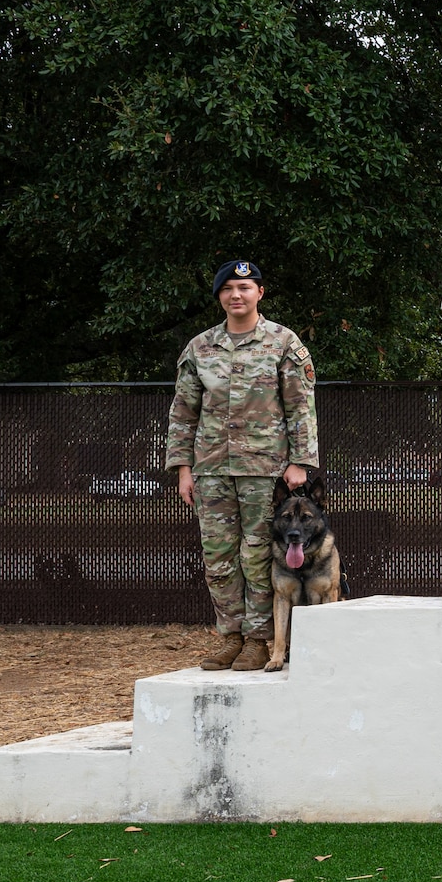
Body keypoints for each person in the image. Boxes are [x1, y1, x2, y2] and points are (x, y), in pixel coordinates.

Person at [165, 261, 318, 672]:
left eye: (245, 287)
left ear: (260, 293)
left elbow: (300, 406)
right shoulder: (200, 348)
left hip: (264, 469)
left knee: (256, 555)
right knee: (218, 557)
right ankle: (229, 636)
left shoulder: (283, 343)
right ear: (219, 296)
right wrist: (183, 468)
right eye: (229, 288)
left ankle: (259, 639)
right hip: (211, 469)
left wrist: (300, 462)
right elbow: (183, 412)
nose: (237, 295)